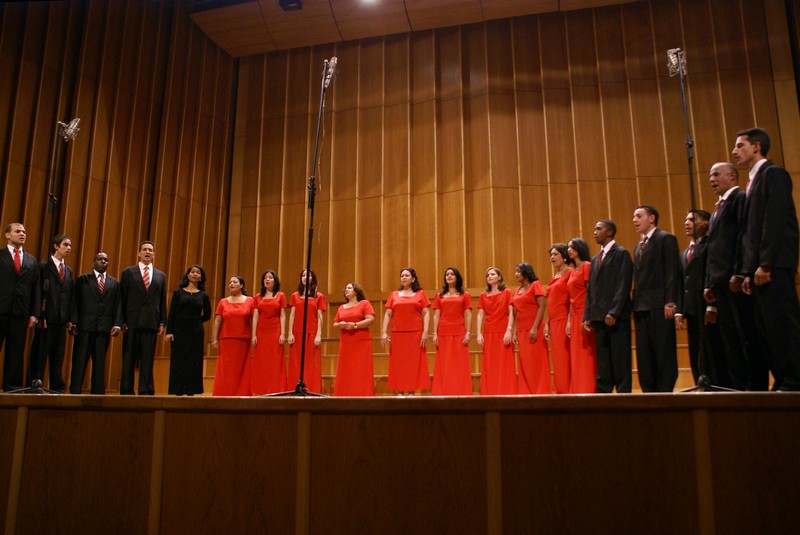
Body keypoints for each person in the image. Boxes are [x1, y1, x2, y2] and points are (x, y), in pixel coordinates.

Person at [733, 127, 800, 391]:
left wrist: (765, 264)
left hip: (774, 265)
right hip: (759, 268)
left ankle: (794, 381)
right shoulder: (753, 181)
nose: (735, 151)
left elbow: (774, 221)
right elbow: (750, 232)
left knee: (782, 324)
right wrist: (748, 271)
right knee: (766, 329)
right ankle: (783, 380)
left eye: (740, 145)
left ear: (757, 146)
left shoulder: (773, 173)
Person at [703, 162, 762, 390]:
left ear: (732, 176)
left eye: (716, 174)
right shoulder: (718, 207)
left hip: (733, 279)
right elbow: (713, 249)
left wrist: (739, 272)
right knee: (729, 337)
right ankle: (737, 384)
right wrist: (710, 283)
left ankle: (754, 385)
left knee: (745, 333)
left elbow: (742, 237)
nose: (711, 179)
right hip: (720, 281)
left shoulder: (739, 198)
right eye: (710, 176)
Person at [631, 205, 680, 392]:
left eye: (639, 216)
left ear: (651, 218)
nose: (635, 220)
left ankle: (664, 392)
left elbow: (672, 272)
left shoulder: (665, 239)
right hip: (641, 307)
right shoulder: (638, 246)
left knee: (663, 351)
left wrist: (670, 301)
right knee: (644, 354)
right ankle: (648, 392)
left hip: (660, 305)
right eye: (634, 217)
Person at [583, 220, 633, 393]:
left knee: (620, 358)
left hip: (616, 317)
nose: (595, 232)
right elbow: (591, 289)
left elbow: (623, 285)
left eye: (599, 229)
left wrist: (614, 312)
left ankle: (623, 394)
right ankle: (603, 393)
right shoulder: (595, 258)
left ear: (610, 232)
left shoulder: (621, 253)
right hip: (598, 317)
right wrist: (588, 315)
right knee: (603, 359)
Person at [69, 252, 122, 394]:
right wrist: (73, 322)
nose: (103, 261)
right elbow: (75, 302)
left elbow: (118, 305)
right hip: (84, 327)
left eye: (106, 260)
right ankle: (75, 392)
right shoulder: (82, 280)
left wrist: (117, 324)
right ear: (93, 262)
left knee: (99, 363)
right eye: (100, 259)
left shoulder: (114, 283)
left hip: (103, 328)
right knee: (80, 361)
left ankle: (98, 394)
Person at [674, 210, 717, 385]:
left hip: (707, 307)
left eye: (692, 219)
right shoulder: (684, 253)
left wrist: (712, 305)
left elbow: (711, 275)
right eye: (685, 220)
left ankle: (714, 384)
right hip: (691, 310)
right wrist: (679, 310)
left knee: (712, 349)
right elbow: (680, 282)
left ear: (706, 223)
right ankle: (700, 383)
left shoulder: (710, 246)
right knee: (695, 350)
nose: (686, 223)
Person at [119, 241, 167, 395]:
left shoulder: (161, 275)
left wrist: (162, 321)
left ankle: (146, 389)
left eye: (150, 250)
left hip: (151, 321)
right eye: (144, 249)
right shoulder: (128, 272)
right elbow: (122, 298)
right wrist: (121, 321)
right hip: (131, 321)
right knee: (129, 358)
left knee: (147, 358)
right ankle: (126, 389)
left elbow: (162, 300)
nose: (147, 252)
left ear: (154, 254)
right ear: (139, 253)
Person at [28, 234, 74, 392]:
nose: (69, 248)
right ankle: (35, 382)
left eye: (70, 245)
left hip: (61, 319)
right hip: (46, 318)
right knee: (40, 352)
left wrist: (69, 318)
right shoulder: (44, 267)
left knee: (58, 354)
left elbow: (69, 296)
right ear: (56, 246)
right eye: (65, 244)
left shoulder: (68, 271)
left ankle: (57, 386)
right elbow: (37, 292)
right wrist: (38, 315)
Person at [0, 223, 40, 391]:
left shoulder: (31, 260)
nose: (22, 234)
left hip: (21, 312)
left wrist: (34, 313)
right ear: (7, 235)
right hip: (1, 310)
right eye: (17, 231)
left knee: (16, 351)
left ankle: (12, 387)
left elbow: (36, 288)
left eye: (24, 231)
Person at [381, 268, 431, 395]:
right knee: (399, 363)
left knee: (413, 363)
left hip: (415, 333)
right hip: (398, 333)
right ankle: (399, 391)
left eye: (407, 275)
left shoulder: (420, 294)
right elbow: (388, 314)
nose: (404, 277)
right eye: (402, 275)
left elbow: (426, 313)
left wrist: (425, 331)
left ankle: (411, 391)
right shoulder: (394, 295)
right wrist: (384, 332)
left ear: (413, 279)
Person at [165, 265, 211, 395]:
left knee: (194, 360)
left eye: (198, 273)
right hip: (179, 330)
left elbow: (207, 314)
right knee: (178, 360)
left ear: (201, 277)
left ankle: (192, 390)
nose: (195, 274)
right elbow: (172, 313)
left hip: (196, 332)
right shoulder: (178, 293)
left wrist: (196, 321)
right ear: (188, 275)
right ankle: (177, 390)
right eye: (193, 272)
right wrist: (169, 332)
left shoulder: (203, 295)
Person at [431, 267, 473, 395]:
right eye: (447, 274)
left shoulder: (465, 295)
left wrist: (468, 332)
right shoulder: (439, 296)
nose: (449, 276)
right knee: (444, 364)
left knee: (459, 364)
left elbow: (468, 315)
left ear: (457, 277)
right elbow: (436, 315)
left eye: (452, 274)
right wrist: (434, 333)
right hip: (443, 332)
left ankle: (461, 392)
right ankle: (443, 392)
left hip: (459, 332)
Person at [476, 267, 516, 395]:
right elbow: (480, 315)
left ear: (499, 277)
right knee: (490, 364)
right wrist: (478, 333)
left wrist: (509, 330)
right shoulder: (483, 295)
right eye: (488, 275)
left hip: (503, 332)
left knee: (505, 363)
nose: (489, 276)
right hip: (489, 333)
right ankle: (491, 392)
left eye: (492, 274)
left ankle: (506, 392)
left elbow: (511, 312)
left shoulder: (507, 292)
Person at [511, 262, 550, 394]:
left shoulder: (535, 285)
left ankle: (540, 391)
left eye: (518, 271)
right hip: (521, 330)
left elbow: (542, 307)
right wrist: (515, 332)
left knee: (537, 362)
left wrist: (534, 328)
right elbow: (517, 313)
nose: (516, 274)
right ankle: (526, 392)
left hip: (535, 329)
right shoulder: (517, 291)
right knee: (525, 363)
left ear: (526, 272)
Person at [211, 276, 254, 396]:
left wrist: (254, 336)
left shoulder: (250, 301)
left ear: (241, 285)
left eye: (235, 282)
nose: (231, 284)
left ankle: (242, 393)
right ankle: (223, 393)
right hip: (226, 340)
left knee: (241, 369)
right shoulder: (223, 302)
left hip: (243, 340)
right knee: (226, 369)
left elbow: (253, 320)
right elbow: (217, 321)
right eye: (230, 282)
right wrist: (214, 339)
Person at [332, 282, 375, 396]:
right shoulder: (341, 307)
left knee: (361, 369)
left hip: (361, 342)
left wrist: (355, 325)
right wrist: (340, 325)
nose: (346, 289)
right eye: (345, 288)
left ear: (356, 291)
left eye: (349, 288)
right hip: (346, 342)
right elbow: (335, 324)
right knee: (346, 369)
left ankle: (363, 394)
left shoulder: (364, 303)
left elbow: (370, 319)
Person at [288, 270, 327, 393]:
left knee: (311, 365)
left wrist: (319, 334)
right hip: (297, 333)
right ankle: (295, 390)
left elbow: (320, 317)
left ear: (312, 278)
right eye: (303, 275)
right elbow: (292, 315)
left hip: (312, 333)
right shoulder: (295, 296)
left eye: (308, 275)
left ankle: (311, 390)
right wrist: (290, 333)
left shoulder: (319, 296)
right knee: (296, 364)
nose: (305, 277)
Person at [566, 238, 596, 393]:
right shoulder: (573, 271)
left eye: (572, 247)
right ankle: (578, 388)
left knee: (586, 353)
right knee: (576, 354)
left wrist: (588, 316)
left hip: (585, 313)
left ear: (580, 248)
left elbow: (591, 292)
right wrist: (569, 321)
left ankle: (588, 387)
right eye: (568, 247)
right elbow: (571, 297)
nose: (569, 250)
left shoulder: (586, 266)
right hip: (574, 315)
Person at [251, 269, 288, 394]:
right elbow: (255, 316)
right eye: (265, 277)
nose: (267, 279)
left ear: (275, 281)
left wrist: (283, 333)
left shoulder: (280, 295)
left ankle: (276, 389)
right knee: (262, 361)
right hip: (261, 332)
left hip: (275, 331)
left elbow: (283, 315)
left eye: (270, 277)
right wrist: (253, 335)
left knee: (275, 361)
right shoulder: (258, 296)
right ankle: (261, 389)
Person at [544, 244, 573, 394]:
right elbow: (551, 302)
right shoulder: (555, 276)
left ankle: (567, 390)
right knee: (557, 357)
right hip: (554, 321)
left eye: (555, 254)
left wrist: (569, 320)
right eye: (551, 255)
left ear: (564, 256)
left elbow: (572, 299)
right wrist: (547, 323)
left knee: (564, 356)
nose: (552, 257)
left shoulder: (570, 273)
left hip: (563, 319)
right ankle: (561, 390)